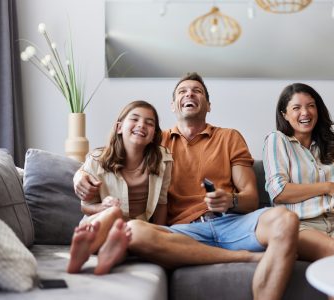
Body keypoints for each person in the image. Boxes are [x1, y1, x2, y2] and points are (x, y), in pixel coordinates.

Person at [74, 73, 299, 300]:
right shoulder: (154, 140)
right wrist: (80, 174)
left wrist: (230, 200)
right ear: (173, 105)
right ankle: (242, 256)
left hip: (233, 223)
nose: (189, 93)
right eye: (182, 91)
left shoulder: (229, 137)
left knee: (286, 219)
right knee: (133, 231)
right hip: (184, 231)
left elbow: (250, 198)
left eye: (197, 91)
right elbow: (114, 153)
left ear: (208, 105)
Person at [263, 83, 334, 262]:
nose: (305, 113)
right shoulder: (277, 140)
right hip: (300, 225)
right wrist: (327, 187)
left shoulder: (329, 145)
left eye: (311, 106)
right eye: (296, 108)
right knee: (333, 248)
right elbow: (278, 192)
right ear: (285, 115)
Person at [67, 100, 173, 275]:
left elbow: (162, 202)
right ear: (119, 127)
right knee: (113, 214)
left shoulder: (164, 161)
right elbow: (84, 206)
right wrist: (105, 207)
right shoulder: (96, 160)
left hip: (134, 228)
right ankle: (87, 248)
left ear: (154, 134)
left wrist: (159, 232)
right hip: (100, 225)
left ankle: (111, 254)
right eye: (135, 119)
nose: (142, 125)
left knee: (128, 234)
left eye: (149, 123)